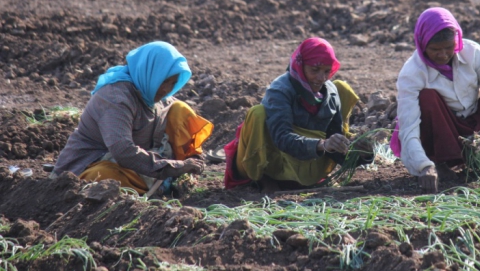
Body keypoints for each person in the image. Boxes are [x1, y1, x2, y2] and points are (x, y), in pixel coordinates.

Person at [392, 7, 480, 193]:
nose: (443, 55)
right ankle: (439, 162)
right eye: (435, 49)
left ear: (456, 41)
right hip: (445, 132)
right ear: (422, 44)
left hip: (478, 129)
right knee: (427, 97)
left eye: (449, 47)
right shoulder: (412, 73)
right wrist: (423, 166)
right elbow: (408, 127)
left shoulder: (472, 52)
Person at [51, 41, 213, 195]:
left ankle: (163, 179)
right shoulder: (115, 98)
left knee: (180, 110)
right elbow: (122, 150)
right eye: (163, 81)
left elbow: (180, 118)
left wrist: (194, 159)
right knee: (105, 178)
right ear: (149, 73)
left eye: (172, 83)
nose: (166, 89)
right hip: (95, 161)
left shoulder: (154, 95)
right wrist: (172, 167)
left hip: (137, 162)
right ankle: (160, 180)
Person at [224, 37, 373, 192]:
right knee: (257, 113)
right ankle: (263, 179)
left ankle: (300, 179)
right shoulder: (281, 90)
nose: (321, 78)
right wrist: (322, 144)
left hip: (306, 163)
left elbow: (333, 143)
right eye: (314, 70)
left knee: (343, 88)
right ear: (301, 67)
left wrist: (360, 153)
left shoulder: (330, 93)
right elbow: (282, 138)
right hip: (273, 160)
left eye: (327, 71)